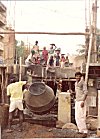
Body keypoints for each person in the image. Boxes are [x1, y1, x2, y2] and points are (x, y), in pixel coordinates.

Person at [74, 72, 88, 137]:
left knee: (82, 116)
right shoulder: (76, 83)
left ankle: (85, 131)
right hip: (77, 101)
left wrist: (83, 101)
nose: (77, 77)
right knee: (77, 116)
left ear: (81, 77)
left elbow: (85, 93)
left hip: (81, 101)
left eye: (79, 76)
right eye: (76, 76)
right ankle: (80, 130)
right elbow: (77, 92)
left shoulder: (83, 83)